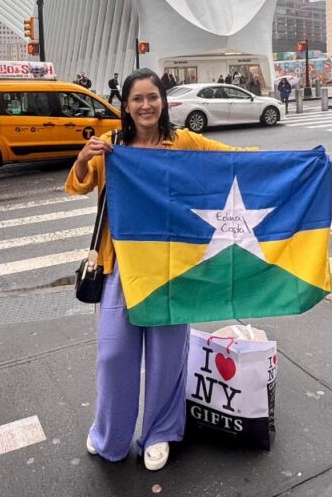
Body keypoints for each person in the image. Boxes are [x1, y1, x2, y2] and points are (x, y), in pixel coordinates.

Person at [67, 69, 246, 471]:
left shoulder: (183, 142)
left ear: (163, 102)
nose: (146, 105)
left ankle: (160, 432)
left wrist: (291, 163)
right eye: (137, 99)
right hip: (121, 266)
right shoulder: (113, 145)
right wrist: (83, 159)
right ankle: (109, 433)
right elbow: (79, 184)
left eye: (153, 97)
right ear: (126, 105)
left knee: (167, 357)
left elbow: (232, 160)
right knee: (114, 353)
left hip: (171, 270)